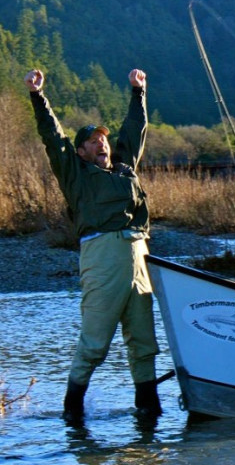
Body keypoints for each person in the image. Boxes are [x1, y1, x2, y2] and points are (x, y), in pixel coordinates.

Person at [25, 68, 162, 424]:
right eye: (92, 140)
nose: (101, 142)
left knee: (144, 343)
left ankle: (149, 410)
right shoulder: (75, 174)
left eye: (103, 138)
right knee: (95, 342)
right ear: (82, 151)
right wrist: (39, 98)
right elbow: (53, 138)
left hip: (138, 256)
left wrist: (138, 92)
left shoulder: (124, 169)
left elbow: (135, 130)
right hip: (102, 257)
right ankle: (72, 412)